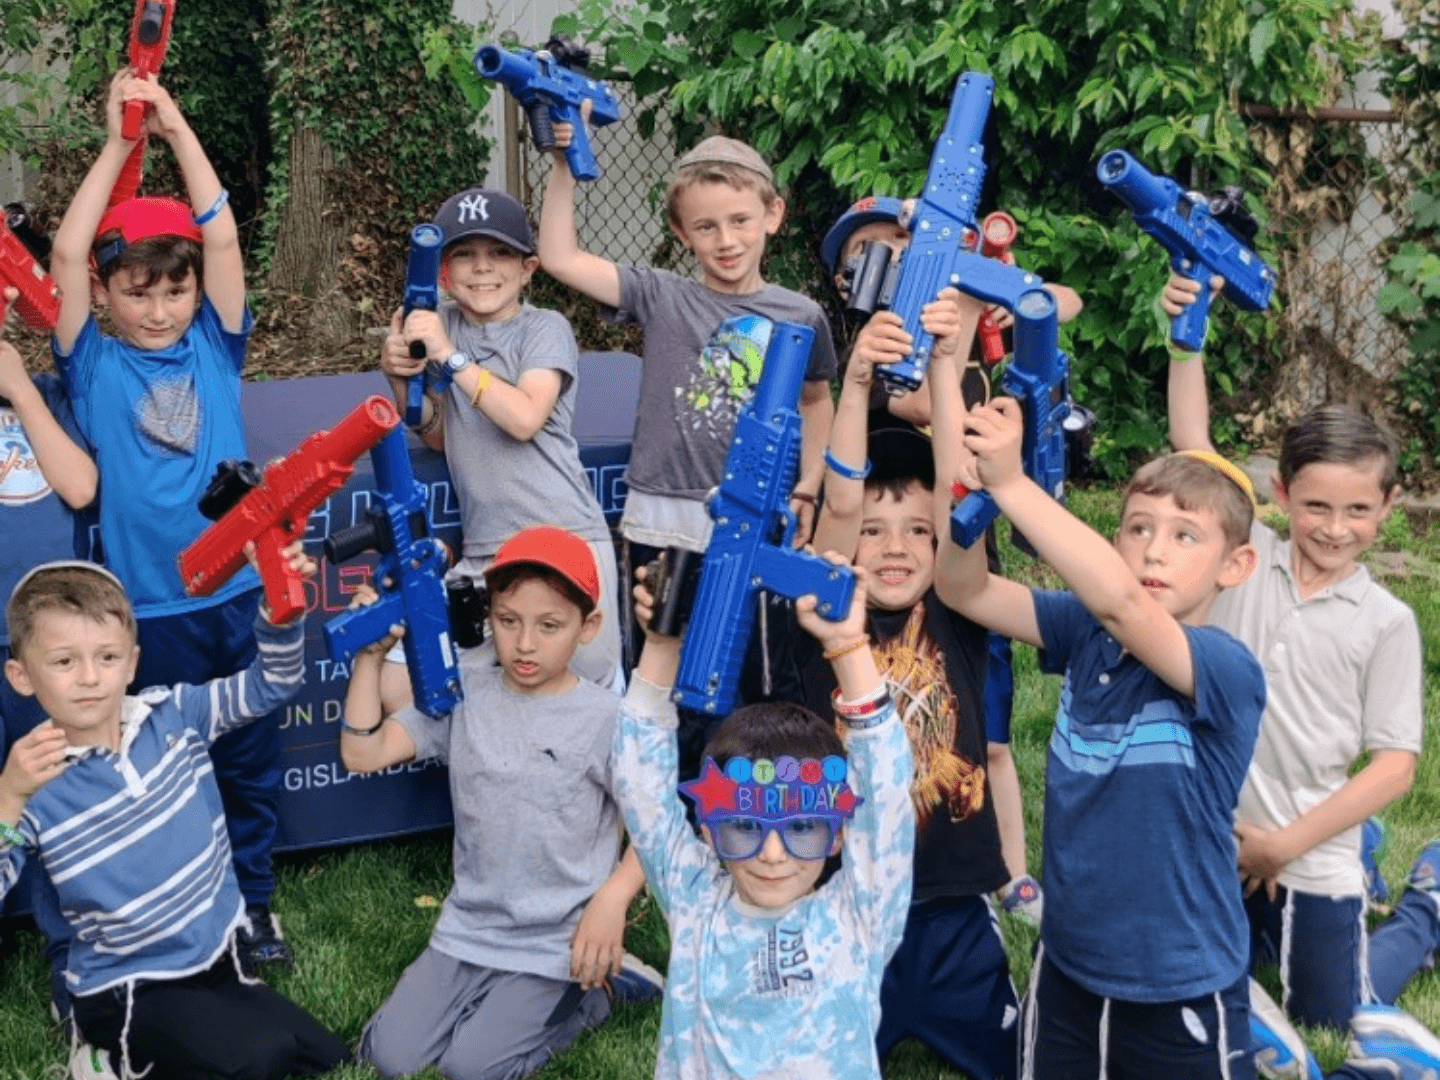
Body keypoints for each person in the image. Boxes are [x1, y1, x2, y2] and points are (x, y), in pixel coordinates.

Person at [938, 384, 1267, 1076]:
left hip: (1179, 980)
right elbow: (964, 591)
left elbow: (1122, 605)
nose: (1152, 552)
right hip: (1068, 965)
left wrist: (1017, 483)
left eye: (1185, 536)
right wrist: (972, 498)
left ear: (1235, 566)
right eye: (1138, 528)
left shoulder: (1225, 670)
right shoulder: (1085, 632)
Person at [1164, 273, 1440, 1078]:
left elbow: (1396, 764)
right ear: (1282, 494)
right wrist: (1189, 342)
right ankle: (1358, 862)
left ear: (1389, 507)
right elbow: (1193, 452)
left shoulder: (1388, 622)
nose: (1335, 528)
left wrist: (1285, 845)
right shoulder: (1243, 564)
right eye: (1316, 506)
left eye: (1359, 511)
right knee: (1207, 972)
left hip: (1302, 845)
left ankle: (1422, 907)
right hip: (1216, 837)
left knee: (1335, 1013)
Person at [46, 70, 291, 974]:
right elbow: (68, 254)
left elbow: (221, 232)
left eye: (172, 292)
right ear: (109, 296)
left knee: (250, 757)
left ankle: (257, 903)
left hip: (239, 595)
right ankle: (168, 903)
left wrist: (178, 125)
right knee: (165, 768)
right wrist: (120, 142)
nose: (156, 311)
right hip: (149, 612)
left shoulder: (216, 348)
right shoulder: (93, 368)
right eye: (137, 292)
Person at [750, 291, 1018, 1078]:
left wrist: (943, 368)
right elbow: (838, 501)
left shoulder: (962, 605)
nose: (895, 548)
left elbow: (957, 488)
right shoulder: (824, 608)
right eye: (874, 531)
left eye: (917, 531)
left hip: (952, 912)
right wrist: (858, 381)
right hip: (840, 909)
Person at [817, 195, 1084, 919]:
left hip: (960, 559)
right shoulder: (872, 359)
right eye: (859, 258)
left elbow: (1063, 302)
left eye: (896, 248)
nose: (880, 264)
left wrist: (990, 299)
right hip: (892, 552)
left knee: (989, 728)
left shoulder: (954, 301)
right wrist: (946, 341)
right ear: (847, 285)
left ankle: (1010, 872)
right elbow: (920, 426)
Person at [0, 554, 350, 1080]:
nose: (91, 678)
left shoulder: (174, 714)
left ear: (133, 662)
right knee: (263, 1058)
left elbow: (270, 685)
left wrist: (281, 613)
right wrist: (8, 796)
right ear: (22, 676)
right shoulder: (32, 779)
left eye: (108, 657)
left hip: (214, 962)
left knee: (329, 1056)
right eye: (64, 662)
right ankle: (102, 1053)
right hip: (127, 988)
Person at [340, 525, 659, 1080]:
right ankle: (490, 1003)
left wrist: (612, 899)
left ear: (590, 627)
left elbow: (657, 824)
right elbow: (362, 753)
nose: (526, 643)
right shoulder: (468, 696)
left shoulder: (610, 720)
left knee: (470, 1068)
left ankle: (596, 993)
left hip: (557, 939)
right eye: (508, 621)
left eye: (549, 626)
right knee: (388, 1058)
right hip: (469, 930)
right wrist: (369, 659)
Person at [615, 557, 916, 1079]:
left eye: (800, 828)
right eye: (745, 827)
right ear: (707, 829)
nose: (772, 855)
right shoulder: (695, 902)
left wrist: (849, 649)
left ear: (839, 833)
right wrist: (662, 645)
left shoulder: (859, 915)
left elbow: (887, 790)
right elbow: (638, 787)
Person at [537, 128, 838, 615]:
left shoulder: (801, 314)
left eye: (741, 220)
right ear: (681, 232)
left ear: (773, 215)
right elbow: (559, 258)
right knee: (660, 654)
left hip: (757, 514)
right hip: (661, 514)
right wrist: (563, 166)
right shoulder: (661, 294)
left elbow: (818, 400)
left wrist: (809, 483)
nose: (726, 241)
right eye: (706, 227)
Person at [379, 187, 622, 690]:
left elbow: (525, 418)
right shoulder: (438, 321)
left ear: (528, 269)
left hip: (565, 541)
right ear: (442, 271)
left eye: (500, 254)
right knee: (403, 682)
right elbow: (443, 437)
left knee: (587, 702)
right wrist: (402, 379)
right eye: (464, 255)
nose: (482, 268)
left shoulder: (544, 327)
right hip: (487, 551)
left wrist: (450, 357)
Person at [0, 288, 98, 1016]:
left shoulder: (47, 395)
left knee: (60, 795)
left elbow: (79, 484)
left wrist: (19, 394)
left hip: (45, 647)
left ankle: (72, 956)